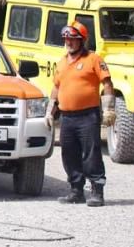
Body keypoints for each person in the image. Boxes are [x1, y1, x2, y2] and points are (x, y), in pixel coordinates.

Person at [49, 21, 115, 207]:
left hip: (88, 116)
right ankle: (76, 190)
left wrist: (109, 109)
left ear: (82, 41)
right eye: (66, 39)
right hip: (67, 118)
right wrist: (49, 112)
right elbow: (56, 88)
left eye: (73, 39)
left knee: (91, 153)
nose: (68, 42)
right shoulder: (61, 63)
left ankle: (97, 192)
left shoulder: (94, 60)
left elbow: (108, 84)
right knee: (69, 154)